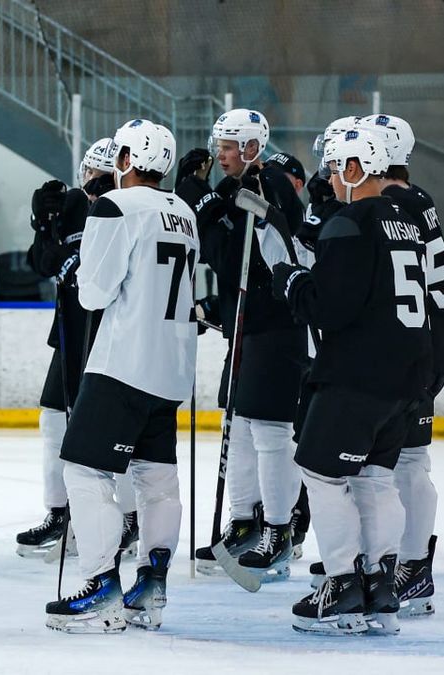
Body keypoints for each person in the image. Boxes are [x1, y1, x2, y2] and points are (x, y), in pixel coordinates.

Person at [271, 127, 432, 636]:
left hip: (358, 374)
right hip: (407, 376)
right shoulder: (406, 216)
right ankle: (380, 582)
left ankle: (341, 584)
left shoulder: (350, 220)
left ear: (358, 167)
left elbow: (331, 308)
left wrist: (292, 281)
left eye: (339, 167)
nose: (333, 177)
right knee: (375, 477)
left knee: (320, 472)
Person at [45, 118, 196, 634]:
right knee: (157, 479)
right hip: (173, 366)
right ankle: (152, 584)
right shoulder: (184, 212)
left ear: (128, 160)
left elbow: (93, 293)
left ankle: (101, 585)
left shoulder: (114, 205)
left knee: (85, 473)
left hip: (123, 364)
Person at [177, 109, 308, 582]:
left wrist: (205, 203)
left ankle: (279, 530)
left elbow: (267, 249)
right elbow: (227, 257)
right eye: (220, 145)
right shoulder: (242, 186)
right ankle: (247, 522)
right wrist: (205, 204)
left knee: (271, 433)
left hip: (278, 326)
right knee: (240, 426)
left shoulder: (270, 182)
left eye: (229, 146)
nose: (220, 154)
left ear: (253, 147)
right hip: (248, 326)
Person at [358, 113, 444, 619]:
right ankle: (393, 557)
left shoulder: (395, 204)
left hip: (418, 346)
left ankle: (414, 566)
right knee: (399, 461)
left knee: (409, 462)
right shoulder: (415, 199)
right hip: (427, 341)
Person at [17, 138, 140, 560]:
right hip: (70, 331)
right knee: (54, 419)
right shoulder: (72, 204)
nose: (94, 187)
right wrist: (42, 224)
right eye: (91, 178)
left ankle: (127, 515)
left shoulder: (127, 209)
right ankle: (59, 511)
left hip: (112, 335)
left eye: (104, 179)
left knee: (114, 432)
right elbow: (43, 262)